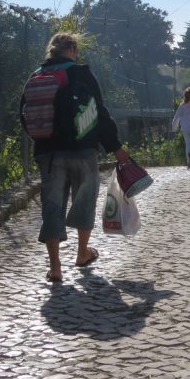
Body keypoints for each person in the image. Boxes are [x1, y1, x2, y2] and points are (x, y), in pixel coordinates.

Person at [21, 32, 131, 283]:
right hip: (83, 150)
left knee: (52, 207)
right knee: (85, 200)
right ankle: (82, 253)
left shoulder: (36, 75)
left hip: (48, 152)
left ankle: (55, 267)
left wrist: (42, 139)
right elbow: (99, 113)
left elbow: (24, 115)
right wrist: (115, 147)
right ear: (71, 48)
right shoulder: (81, 73)